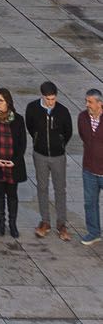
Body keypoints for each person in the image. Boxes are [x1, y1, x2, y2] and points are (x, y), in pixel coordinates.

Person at [26, 78, 73, 239]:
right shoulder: (32, 108)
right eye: (48, 99)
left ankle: (61, 224)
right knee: (42, 187)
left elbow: (68, 132)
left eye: (53, 99)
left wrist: (59, 144)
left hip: (58, 156)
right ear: (42, 96)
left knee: (60, 189)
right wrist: (38, 140)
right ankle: (45, 221)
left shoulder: (63, 111)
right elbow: (31, 127)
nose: (51, 102)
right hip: (40, 155)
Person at [0, 87, 27, 239]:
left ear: (8, 102)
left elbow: (22, 143)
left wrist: (15, 160)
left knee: (12, 194)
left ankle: (12, 224)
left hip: (12, 164)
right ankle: (1, 222)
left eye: (0, 100)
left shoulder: (18, 119)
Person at [77, 86, 103, 246]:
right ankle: (94, 233)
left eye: (90, 102)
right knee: (90, 202)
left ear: (100, 103)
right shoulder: (82, 117)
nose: (87, 104)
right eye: (86, 101)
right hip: (89, 170)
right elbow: (84, 137)